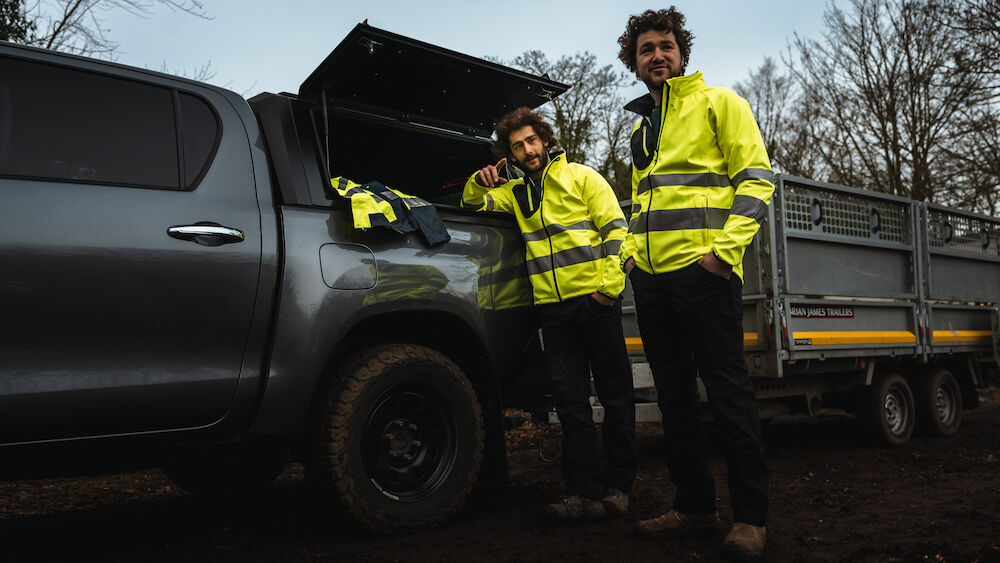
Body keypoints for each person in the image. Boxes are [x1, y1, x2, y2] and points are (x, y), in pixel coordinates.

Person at [616, 7, 773, 561]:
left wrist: (722, 256)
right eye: (646, 49)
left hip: (705, 276)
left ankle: (750, 519)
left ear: (682, 53)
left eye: (666, 46)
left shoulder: (720, 102)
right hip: (652, 283)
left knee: (728, 395)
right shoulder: (641, 130)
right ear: (635, 62)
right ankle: (695, 508)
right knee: (675, 401)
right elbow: (640, 205)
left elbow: (757, 179)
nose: (657, 55)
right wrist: (631, 259)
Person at [463, 107, 636, 523]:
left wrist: (606, 293)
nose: (527, 150)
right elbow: (472, 202)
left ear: (545, 139)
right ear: (510, 155)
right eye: (518, 146)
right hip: (553, 313)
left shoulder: (582, 177)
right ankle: (582, 493)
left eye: (531, 141)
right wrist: (479, 179)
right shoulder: (515, 194)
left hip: (596, 303)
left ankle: (619, 488)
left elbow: (619, 234)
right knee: (571, 404)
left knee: (615, 398)